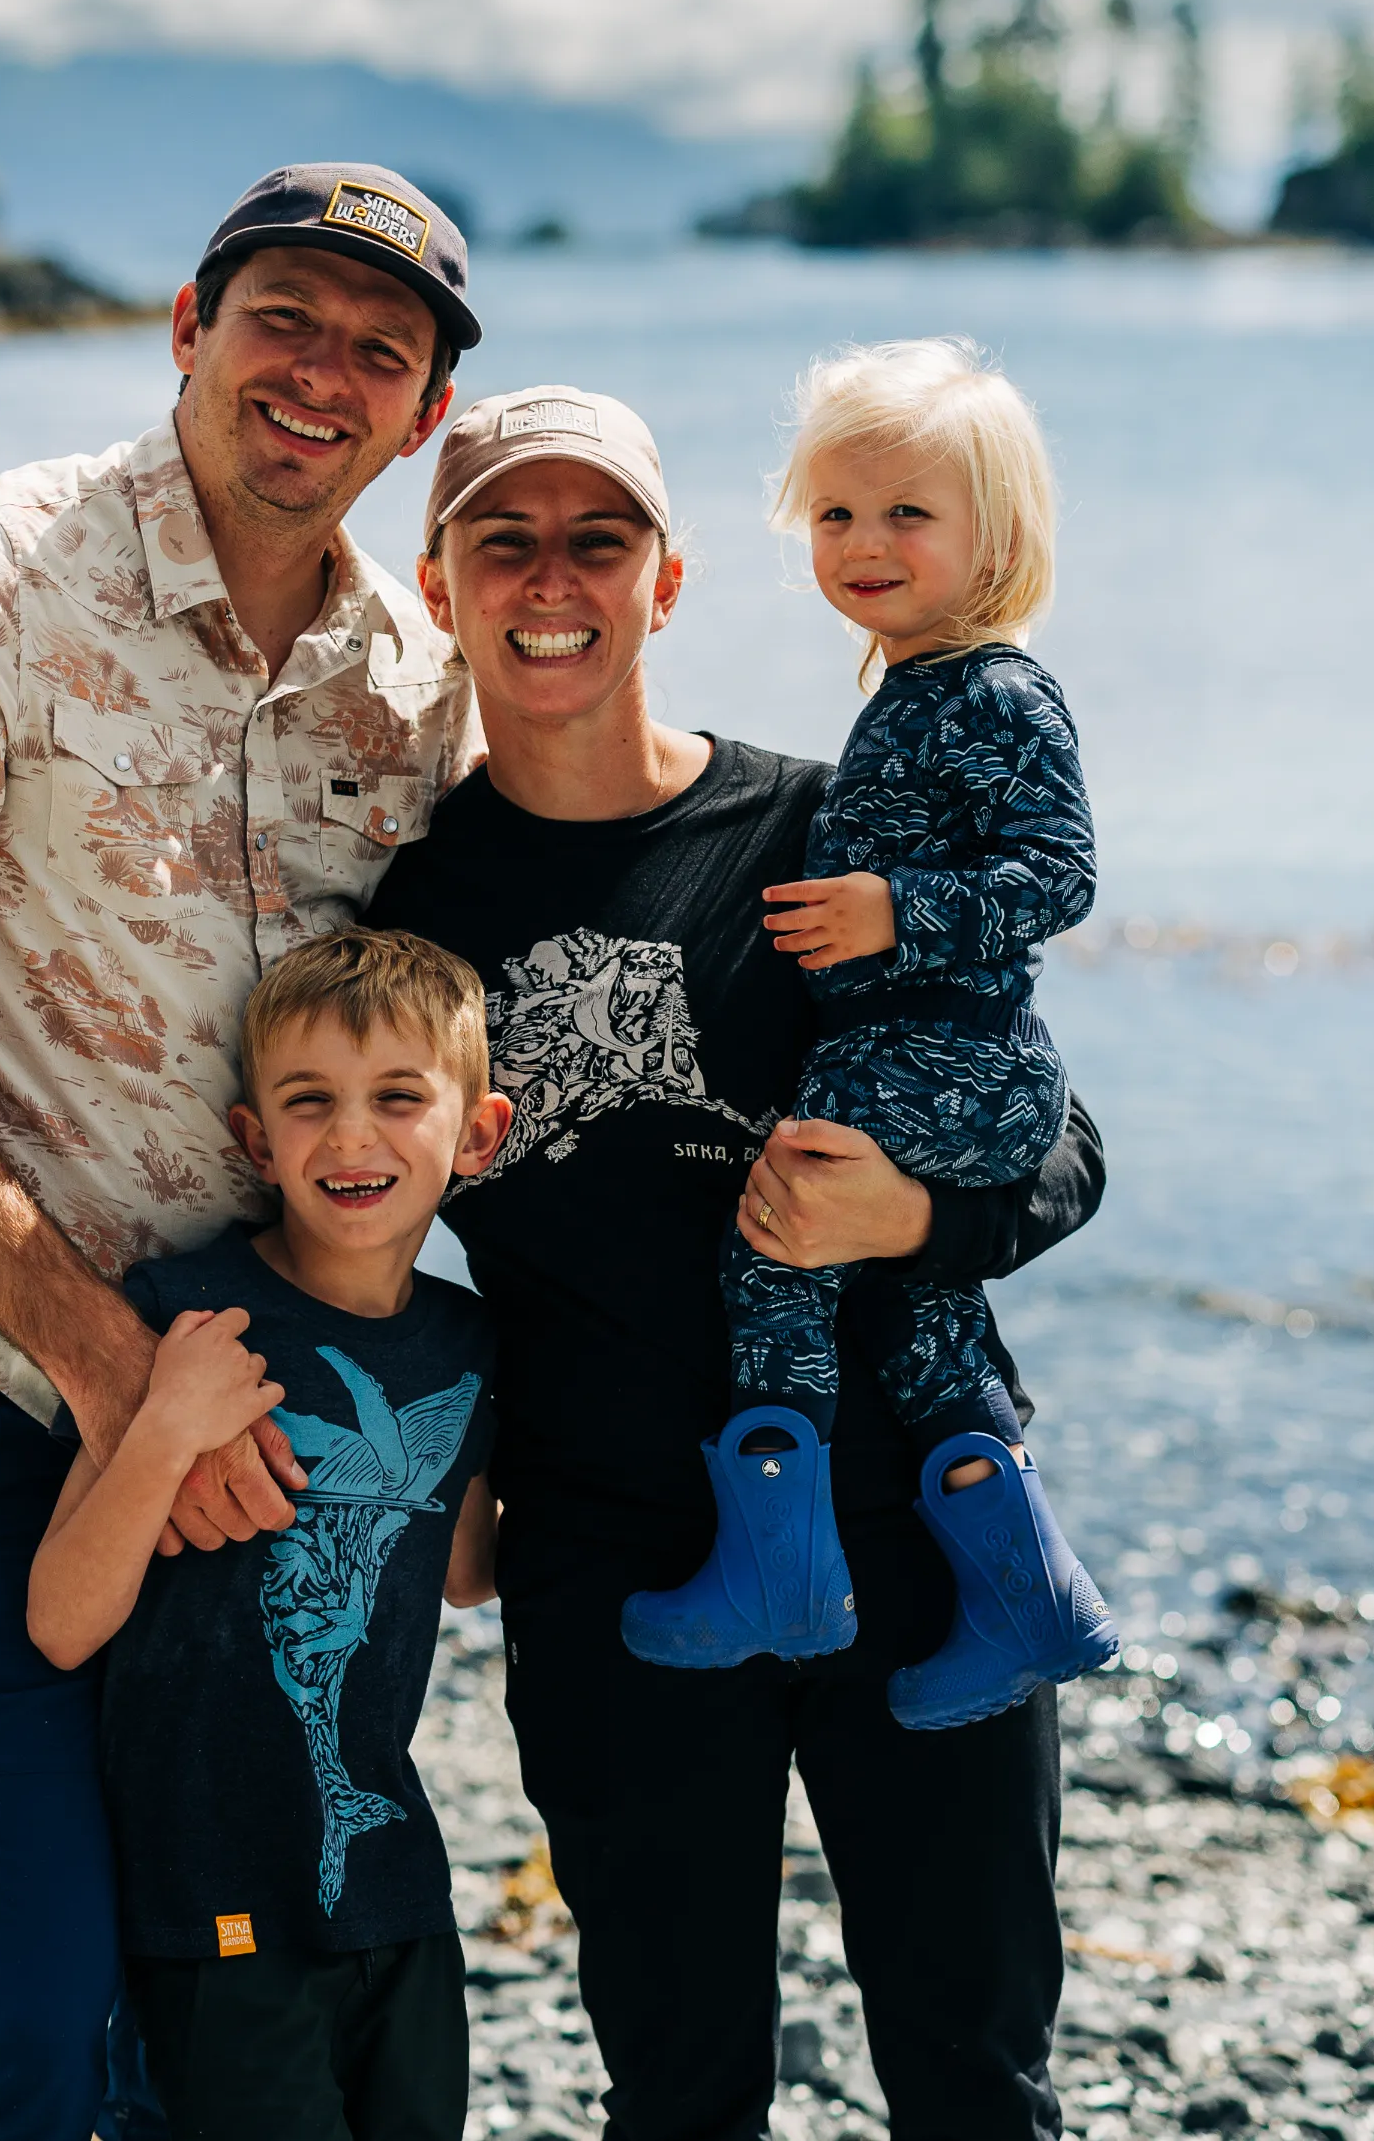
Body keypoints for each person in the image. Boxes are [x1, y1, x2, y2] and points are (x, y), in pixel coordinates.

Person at [0, 163, 485, 2141]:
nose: (319, 376)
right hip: (15, 1418)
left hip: (287, 1462)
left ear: (420, 412)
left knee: (221, 2037)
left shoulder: (410, 689)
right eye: (282, 319)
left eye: (380, 350)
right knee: (24, 2024)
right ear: (186, 327)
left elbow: (480, 1026)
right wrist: (123, 1388)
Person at [366, 383, 1103, 2141]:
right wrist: (445, 1472)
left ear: (666, 582)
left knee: (973, 2065)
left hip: (910, 1516)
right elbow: (357, 1222)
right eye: (504, 541)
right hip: (615, 1556)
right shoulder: (404, 910)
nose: (552, 580)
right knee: (678, 2081)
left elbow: (1053, 1142)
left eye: (596, 541)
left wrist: (912, 1221)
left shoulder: (816, 836)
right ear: (436, 584)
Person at [622, 338, 1120, 1732]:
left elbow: (1060, 877)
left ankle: (777, 1576)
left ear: (994, 532)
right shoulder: (914, 686)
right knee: (918, 1320)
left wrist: (893, 910)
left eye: (905, 512)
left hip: (944, 1051)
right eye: (835, 514)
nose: (862, 542)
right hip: (937, 1055)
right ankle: (1028, 1598)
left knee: (776, 1234)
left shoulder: (995, 691)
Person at [28, 928, 510, 2141]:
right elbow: (62, 1623)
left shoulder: (470, 1344)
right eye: (311, 1103)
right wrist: (163, 1428)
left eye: (401, 1098)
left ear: (478, 1133)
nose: (353, 1137)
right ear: (256, 1140)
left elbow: (460, 1577)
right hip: (212, 1903)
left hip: (394, 1884)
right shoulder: (179, 1316)